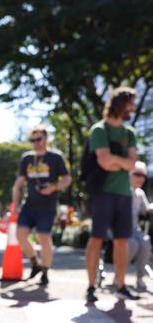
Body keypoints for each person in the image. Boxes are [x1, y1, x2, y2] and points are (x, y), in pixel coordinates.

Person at [85, 86, 139, 303]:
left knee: (121, 241)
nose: (133, 108)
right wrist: (120, 162)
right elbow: (104, 162)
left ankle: (121, 285)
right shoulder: (99, 129)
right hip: (102, 193)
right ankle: (90, 286)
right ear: (120, 104)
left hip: (124, 194)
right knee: (96, 238)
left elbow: (132, 163)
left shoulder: (129, 133)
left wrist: (116, 161)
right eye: (130, 103)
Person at [11, 124, 71, 287]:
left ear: (46, 138)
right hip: (29, 205)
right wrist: (15, 204)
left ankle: (45, 272)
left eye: (39, 139)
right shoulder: (27, 158)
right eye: (33, 140)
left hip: (47, 206)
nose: (36, 142)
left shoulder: (55, 157)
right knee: (20, 235)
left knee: (44, 238)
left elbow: (67, 179)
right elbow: (18, 184)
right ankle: (35, 263)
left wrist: (53, 187)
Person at [128, 161, 153, 292]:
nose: (141, 178)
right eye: (137, 174)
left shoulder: (140, 193)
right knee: (132, 244)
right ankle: (118, 276)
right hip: (118, 229)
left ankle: (140, 279)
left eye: (143, 175)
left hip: (133, 228)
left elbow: (147, 210)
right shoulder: (123, 191)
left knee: (145, 242)